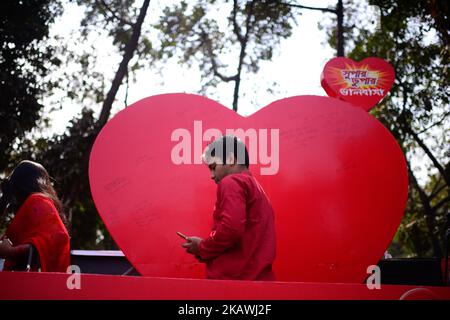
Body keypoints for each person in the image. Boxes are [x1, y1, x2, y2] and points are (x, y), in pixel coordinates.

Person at [182, 135, 276, 280]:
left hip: (233, 284)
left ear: (231, 159)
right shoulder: (257, 188)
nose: (211, 176)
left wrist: (202, 248)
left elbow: (231, 228)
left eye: (214, 167)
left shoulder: (231, 182)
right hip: (258, 282)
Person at [0, 160, 70, 272]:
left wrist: (10, 252)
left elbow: (58, 237)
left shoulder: (38, 200)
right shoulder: (33, 204)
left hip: (37, 282)